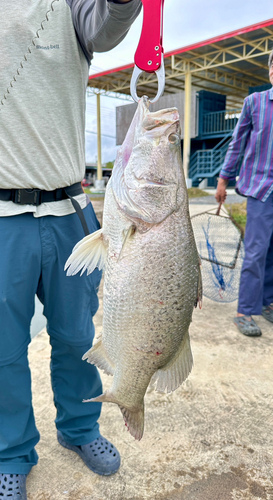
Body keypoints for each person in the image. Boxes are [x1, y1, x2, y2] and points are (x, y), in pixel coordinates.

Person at [0, 1, 141, 498]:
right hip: (1, 216)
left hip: (70, 212)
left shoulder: (71, 5)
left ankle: (80, 428)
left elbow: (108, 27)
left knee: (77, 334)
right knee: (3, 349)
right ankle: (10, 451)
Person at [216, 49, 273, 338]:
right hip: (262, 188)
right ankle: (244, 311)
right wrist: (224, 178)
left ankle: (268, 302)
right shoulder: (255, 103)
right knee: (256, 251)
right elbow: (236, 144)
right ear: (270, 71)